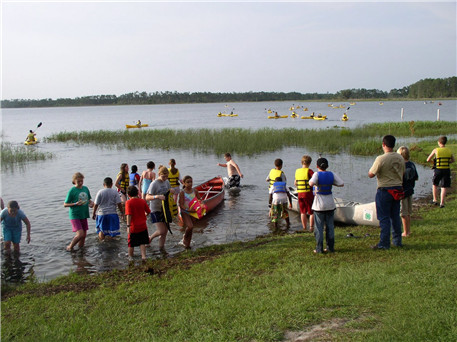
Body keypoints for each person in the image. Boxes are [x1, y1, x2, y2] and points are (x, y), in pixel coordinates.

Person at [368, 135, 405, 250]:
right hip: (398, 189)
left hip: (385, 190)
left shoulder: (381, 159)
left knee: (384, 218)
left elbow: (371, 174)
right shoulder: (400, 158)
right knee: (395, 216)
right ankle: (397, 241)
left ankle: (384, 243)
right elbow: (403, 173)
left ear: (383, 144)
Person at [309, 158, 344, 254]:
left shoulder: (316, 174)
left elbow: (311, 183)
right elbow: (341, 183)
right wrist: (331, 182)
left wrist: (317, 183)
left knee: (319, 228)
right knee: (330, 227)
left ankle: (319, 249)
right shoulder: (331, 174)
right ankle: (330, 248)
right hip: (330, 204)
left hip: (319, 206)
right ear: (327, 166)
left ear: (317, 166)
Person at [146, 166, 175, 250]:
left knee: (165, 231)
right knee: (161, 230)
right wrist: (157, 196)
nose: (165, 178)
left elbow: (168, 191)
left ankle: (161, 248)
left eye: (167, 177)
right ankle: (150, 238)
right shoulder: (154, 183)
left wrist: (171, 190)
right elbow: (147, 197)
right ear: (159, 174)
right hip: (155, 209)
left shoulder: (166, 182)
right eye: (163, 176)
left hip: (164, 209)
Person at [64, 172, 94, 251]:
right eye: (78, 181)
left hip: (84, 214)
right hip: (75, 215)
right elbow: (65, 204)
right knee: (80, 234)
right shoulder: (72, 190)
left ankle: (81, 251)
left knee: (84, 236)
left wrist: (91, 203)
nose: (80, 183)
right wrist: (75, 204)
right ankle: (70, 247)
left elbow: (88, 200)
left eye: (82, 181)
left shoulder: (85, 188)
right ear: (74, 181)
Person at [426, 136, 454, 208]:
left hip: (438, 169)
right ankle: (442, 203)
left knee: (435, 184)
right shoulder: (449, 150)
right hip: (446, 169)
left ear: (439, 142)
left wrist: (434, 163)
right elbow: (453, 160)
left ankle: (435, 200)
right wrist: (448, 162)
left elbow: (428, 159)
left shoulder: (436, 150)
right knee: (444, 186)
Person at [397, 146, 418, 237]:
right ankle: (408, 230)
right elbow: (416, 177)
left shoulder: (401, 166)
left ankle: (406, 232)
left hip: (403, 192)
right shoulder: (412, 164)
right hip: (410, 190)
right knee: (408, 213)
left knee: (403, 213)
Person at [125, 185, 151, 261]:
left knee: (131, 243)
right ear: (137, 193)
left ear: (128, 195)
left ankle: (130, 257)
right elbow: (148, 211)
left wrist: (128, 226)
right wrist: (144, 215)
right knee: (142, 242)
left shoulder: (128, 202)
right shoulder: (142, 201)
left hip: (133, 227)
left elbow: (129, 215)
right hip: (142, 225)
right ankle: (143, 257)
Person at [177, 175, 202, 248]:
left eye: (191, 182)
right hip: (185, 212)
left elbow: (199, 200)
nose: (190, 183)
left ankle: (188, 244)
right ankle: (185, 237)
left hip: (194, 212)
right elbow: (181, 204)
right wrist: (188, 209)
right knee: (190, 226)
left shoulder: (195, 191)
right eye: (188, 182)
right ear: (184, 183)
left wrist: (201, 205)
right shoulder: (182, 193)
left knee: (191, 228)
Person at [294, 155, 315, 232]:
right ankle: (311, 228)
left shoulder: (297, 171)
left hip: (300, 194)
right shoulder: (310, 171)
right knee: (311, 212)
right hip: (308, 194)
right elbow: (315, 181)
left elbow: (295, 183)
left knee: (303, 211)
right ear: (309, 163)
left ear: (302, 162)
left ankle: (304, 227)